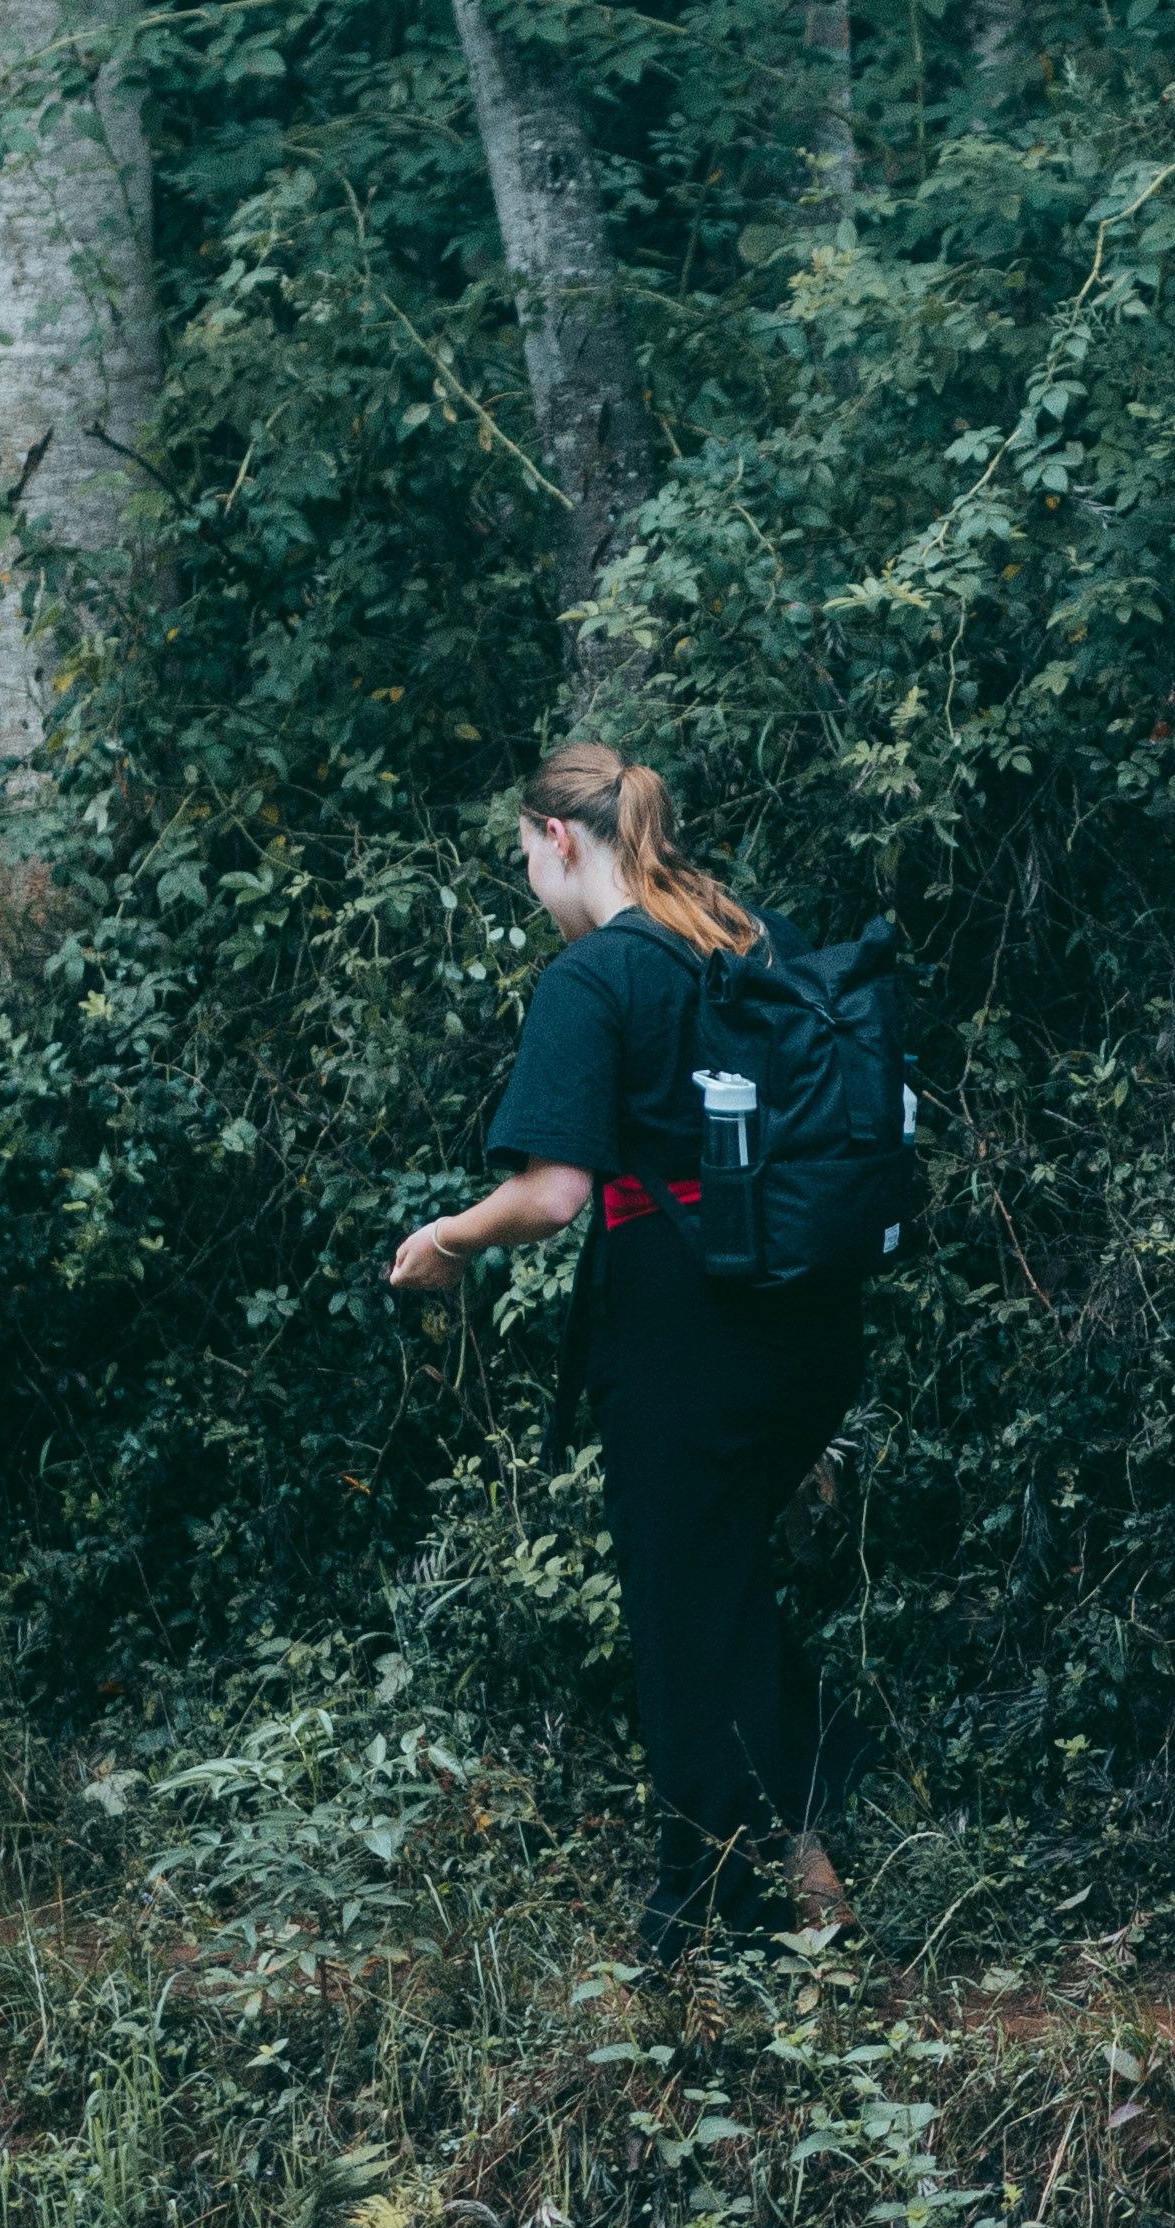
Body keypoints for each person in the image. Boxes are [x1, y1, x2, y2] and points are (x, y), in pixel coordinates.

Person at [391, 746, 861, 1958]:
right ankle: (803, 1856)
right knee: (732, 1583)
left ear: (556, 837)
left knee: (679, 1609)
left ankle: (702, 1911)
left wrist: (447, 1239)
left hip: (681, 1333)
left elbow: (552, 1196)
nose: (531, 884)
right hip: (810, 1325)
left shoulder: (594, 979)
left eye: (523, 860)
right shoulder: (755, 936)